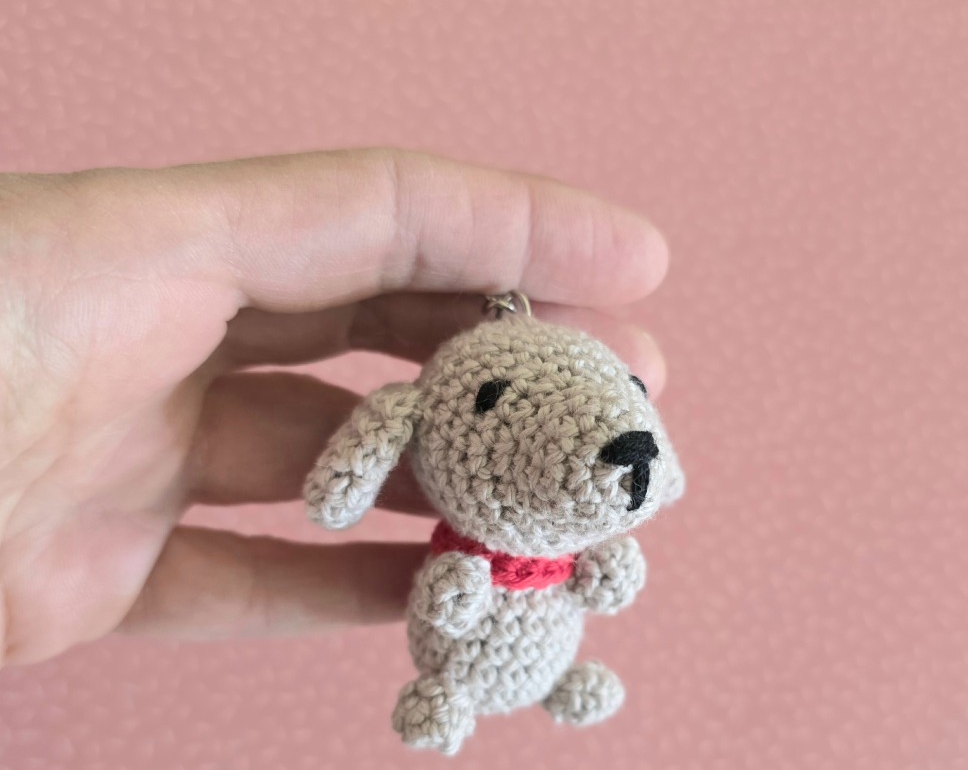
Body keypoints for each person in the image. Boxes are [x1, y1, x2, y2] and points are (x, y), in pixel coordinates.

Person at [0, 148, 668, 668]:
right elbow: (444, 600)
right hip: (458, 644)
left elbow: (604, 579)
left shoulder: (578, 536)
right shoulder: (454, 478)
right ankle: (449, 692)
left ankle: (560, 681)